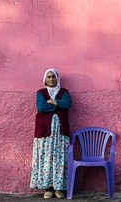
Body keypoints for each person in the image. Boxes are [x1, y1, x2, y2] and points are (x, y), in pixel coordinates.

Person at [31, 68, 72, 198]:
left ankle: (59, 189)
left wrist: (55, 102)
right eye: (48, 77)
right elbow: (41, 107)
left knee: (60, 160)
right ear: (45, 79)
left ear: (57, 78)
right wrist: (58, 105)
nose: (51, 79)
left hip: (60, 135)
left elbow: (67, 103)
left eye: (53, 76)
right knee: (46, 160)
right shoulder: (41, 93)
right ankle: (48, 188)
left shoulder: (64, 92)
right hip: (45, 134)